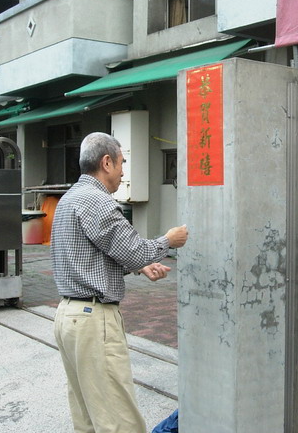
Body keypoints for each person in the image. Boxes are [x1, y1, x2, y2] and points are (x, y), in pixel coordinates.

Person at [51, 132, 188, 433]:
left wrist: (141, 268)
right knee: (118, 420)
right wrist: (169, 240)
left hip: (68, 317)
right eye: (122, 163)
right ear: (106, 162)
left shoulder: (69, 199)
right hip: (93, 319)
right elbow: (134, 249)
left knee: (88, 417)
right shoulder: (97, 201)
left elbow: (90, 260)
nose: (124, 172)